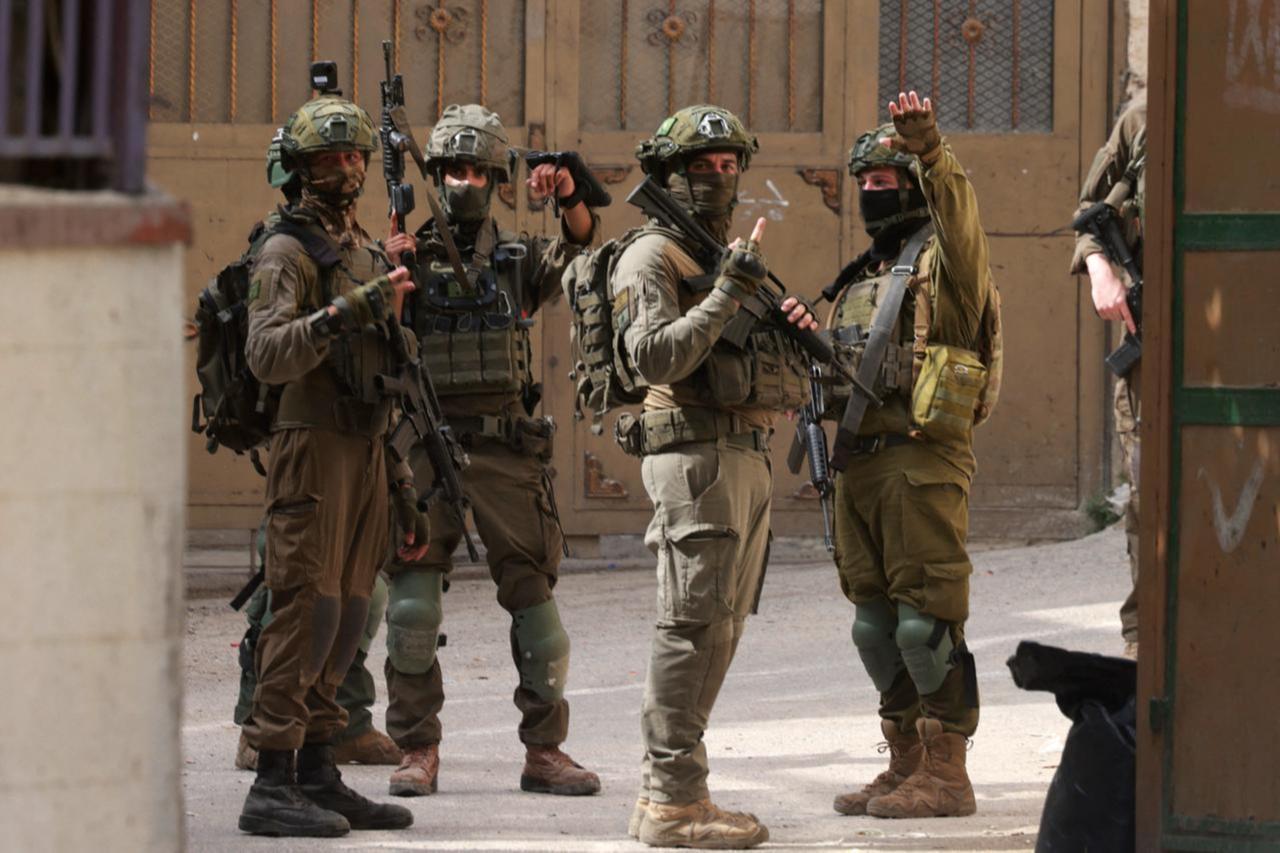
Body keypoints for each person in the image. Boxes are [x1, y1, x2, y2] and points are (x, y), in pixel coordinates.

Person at [611, 104, 817, 849]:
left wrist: (779, 323)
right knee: (691, 626)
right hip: (694, 458)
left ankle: (683, 790)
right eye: (703, 165)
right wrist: (730, 291)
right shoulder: (652, 257)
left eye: (732, 165)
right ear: (670, 174)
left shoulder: (713, 252)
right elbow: (656, 357)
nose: (720, 177)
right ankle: (669, 798)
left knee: (719, 628)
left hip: (740, 454)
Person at [383, 104, 601, 798]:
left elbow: (580, 253)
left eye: (477, 170)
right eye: (451, 170)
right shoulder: (404, 257)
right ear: (434, 176)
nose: (464, 183)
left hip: (506, 454)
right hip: (425, 447)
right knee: (413, 610)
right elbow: (376, 345)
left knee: (538, 611)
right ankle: (417, 747)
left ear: (496, 178)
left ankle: (546, 750)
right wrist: (389, 282)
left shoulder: (516, 261)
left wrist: (568, 197)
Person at [237, 88, 427, 837]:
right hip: (310, 449)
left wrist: (404, 487)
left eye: (354, 155)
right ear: (299, 168)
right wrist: (346, 310)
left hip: (365, 450)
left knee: (349, 613)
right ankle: (271, 779)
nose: (346, 168)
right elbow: (266, 353)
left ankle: (318, 768)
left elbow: (388, 374)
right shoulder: (285, 250)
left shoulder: (363, 251)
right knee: (303, 616)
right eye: (329, 157)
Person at [827, 91, 996, 820]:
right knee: (874, 626)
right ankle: (903, 763)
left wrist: (931, 150)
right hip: (859, 464)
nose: (874, 195)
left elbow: (958, 213)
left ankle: (949, 772)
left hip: (922, 460)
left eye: (887, 183)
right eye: (865, 184)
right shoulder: (860, 279)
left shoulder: (946, 264)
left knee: (923, 626)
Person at [1071, 95, 1146, 660]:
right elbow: (1089, 207)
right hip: (1153, 351)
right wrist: (1100, 269)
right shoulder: (1146, 114)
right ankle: (1144, 649)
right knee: (1152, 501)